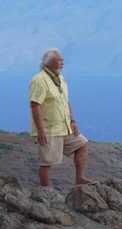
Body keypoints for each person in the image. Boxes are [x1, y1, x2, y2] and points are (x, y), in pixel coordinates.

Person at [29, 48, 97, 187]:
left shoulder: (61, 79)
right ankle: (45, 192)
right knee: (47, 161)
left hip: (64, 126)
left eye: (62, 61)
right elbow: (35, 105)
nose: (62, 63)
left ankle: (80, 178)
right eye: (59, 60)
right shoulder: (40, 80)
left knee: (82, 144)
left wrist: (72, 121)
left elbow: (65, 101)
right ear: (48, 62)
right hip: (49, 129)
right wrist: (40, 130)